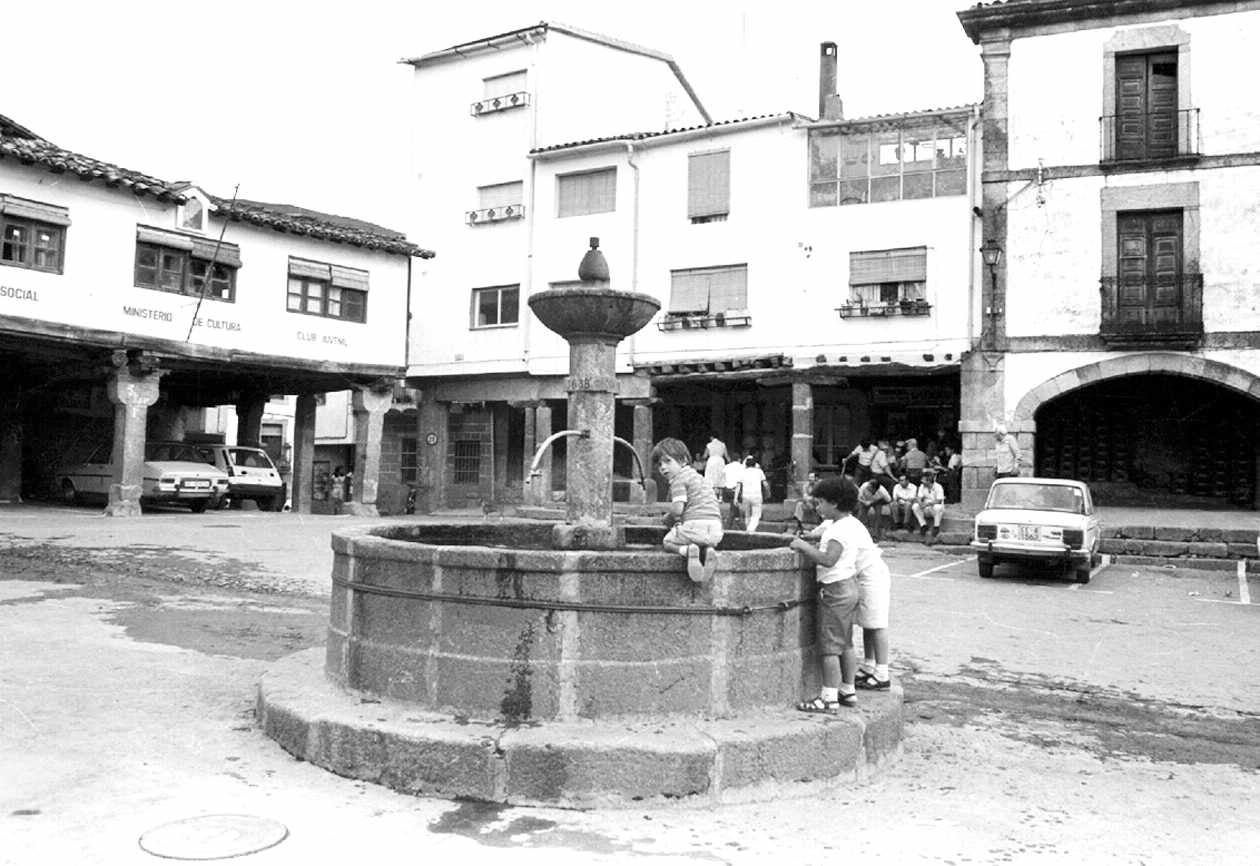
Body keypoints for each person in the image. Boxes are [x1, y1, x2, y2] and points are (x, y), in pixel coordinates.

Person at [789, 477, 884, 711]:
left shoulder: (837, 531)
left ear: (835, 503)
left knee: (829, 646)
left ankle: (828, 697)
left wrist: (803, 546)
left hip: (835, 590)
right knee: (846, 643)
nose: (818, 508)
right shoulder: (849, 524)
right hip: (849, 586)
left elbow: (828, 559)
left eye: (820, 503)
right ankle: (847, 690)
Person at [651, 438, 723, 583]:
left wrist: (667, 519)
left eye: (667, 461)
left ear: (683, 460)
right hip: (716, 531)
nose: (663, 467)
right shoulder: (699, 478)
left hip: (695, 526)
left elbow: (678, 510)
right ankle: (708, 551)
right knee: (700, 539)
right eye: (660, 464)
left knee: (668, 541)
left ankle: (687, 551)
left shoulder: (679, 480)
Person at [735, 455, 769, 533]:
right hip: (757, 496)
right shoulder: (759, 471)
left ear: (746, 465)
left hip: (746, 496)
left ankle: (748, 530)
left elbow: (738, 485)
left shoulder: (742, 472)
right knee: (756, 516)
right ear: (755, 464)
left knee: (747, 515)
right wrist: (767, 493)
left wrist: (735, 498)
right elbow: (765, 484)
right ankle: (750, 530)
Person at [912, 469, 947, 541]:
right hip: (926, 508)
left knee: (937, 507)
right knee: (915, 506)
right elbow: (919, 497)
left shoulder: (938, 487)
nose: (922, 481)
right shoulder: (922, 486)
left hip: (934, 509)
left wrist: (928, 503)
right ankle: (923, 525)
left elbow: (939, 500)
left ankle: (936, 526)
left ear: (928, 481)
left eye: (924, 480)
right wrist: (920, 503)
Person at [721, 453, 745, 529]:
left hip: (727, 490)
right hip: (736, 490)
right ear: (739, 459)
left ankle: (738, 523)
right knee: (733, 507)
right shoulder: (742, 467)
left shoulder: (727, 466)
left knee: (734, 507)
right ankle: (728, 526)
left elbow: (723, 477)